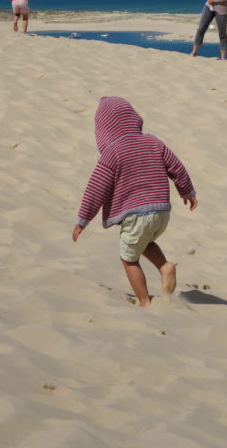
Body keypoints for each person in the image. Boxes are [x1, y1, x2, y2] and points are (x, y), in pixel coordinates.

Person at [71, 96, 198, 307]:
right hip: (161, 212)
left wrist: (83, 220)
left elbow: (96, 189)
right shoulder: (154, 142)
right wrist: (187, 191)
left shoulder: (112, 153)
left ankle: (144, 301)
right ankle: (165, 267)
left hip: (136, 215)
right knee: (143, 241)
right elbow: (176, 167)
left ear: (103, 129)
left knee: (129, 258)